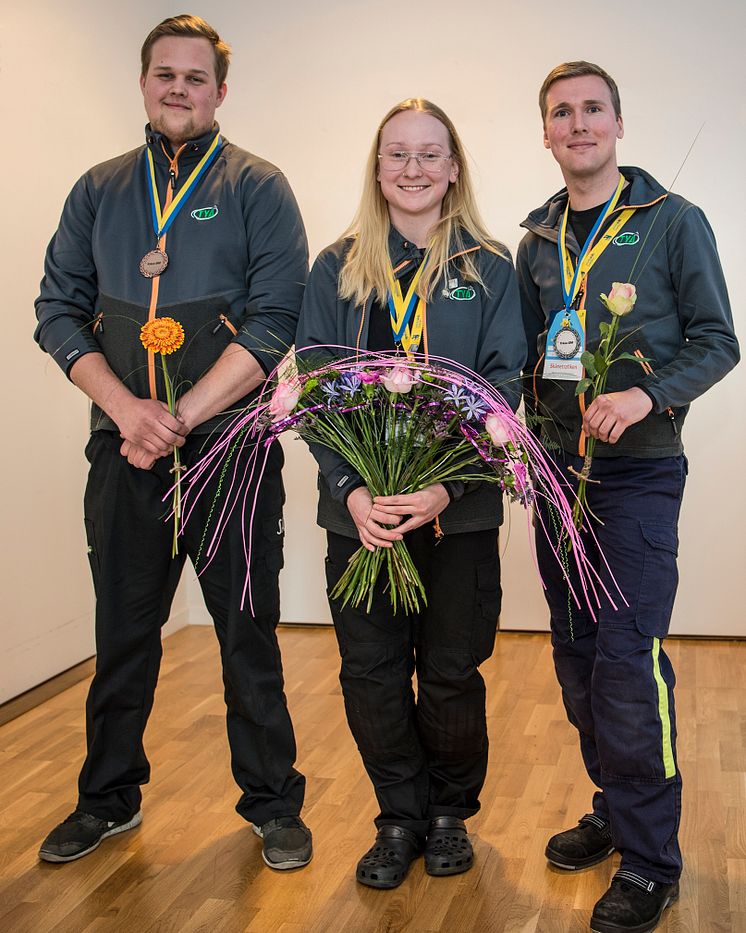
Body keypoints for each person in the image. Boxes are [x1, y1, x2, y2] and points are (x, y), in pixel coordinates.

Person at [34, 14, 312, 871]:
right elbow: (55, 312)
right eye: (165, 75)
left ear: (221, 91)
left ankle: (272, 804)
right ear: (145, 83)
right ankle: (106, 799)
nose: (179, 89)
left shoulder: (261, 186)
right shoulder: (99, 188)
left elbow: (276, 323)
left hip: (229, 452)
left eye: (196, 77)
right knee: (123, 630)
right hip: (125, 453)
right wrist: (128, 411)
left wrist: (178, 417)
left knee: (246, 629)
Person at [517, 61, 739, 932]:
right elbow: (529, 354)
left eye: (592, 109)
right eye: (561, 112)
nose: (578, 124)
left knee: (626, 663)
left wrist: (648, 394)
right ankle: (615, 806)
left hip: (637, 476)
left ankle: (651, 861)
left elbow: (720, 340)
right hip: (554, 477)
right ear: (545, 132)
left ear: (618, 122)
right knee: (576, 658)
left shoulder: (674, 223)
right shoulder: (534, 240)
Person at [295, 98, 526, 888]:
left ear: (454, 167)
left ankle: (448, 814)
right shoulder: (338, 267)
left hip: (455, 513)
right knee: (371, 669)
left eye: (431, 154)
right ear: (378, 167)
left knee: (454, 667)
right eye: (399, 155)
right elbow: (317, 389)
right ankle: (397, 814)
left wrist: (443, 489)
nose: (415, 169)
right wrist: (351, 489)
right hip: (360, 517)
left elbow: (500, 389)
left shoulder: (490, 267)